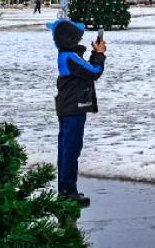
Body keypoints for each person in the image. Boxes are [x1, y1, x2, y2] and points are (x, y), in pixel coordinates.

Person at [51, 20, 107, 206]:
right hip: (73, 108)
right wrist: (99, 55)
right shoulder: (70, 57)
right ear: (68, 39)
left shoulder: (69, 56)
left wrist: (94, 53)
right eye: (77, 37)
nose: (80, 40)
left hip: (69, 108)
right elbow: (94, 72)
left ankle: (65, 190)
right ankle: (68, 191)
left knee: (67, 148)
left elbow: (86, 71)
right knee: (70, 149)